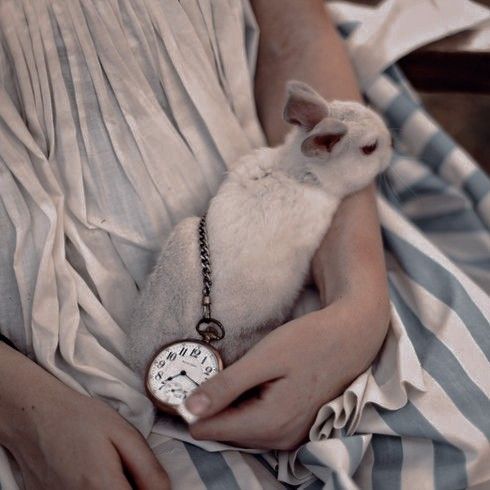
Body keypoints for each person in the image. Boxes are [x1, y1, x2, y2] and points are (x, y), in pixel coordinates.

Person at [1, 0, 488, 489]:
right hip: (39, 352)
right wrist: (27, 415)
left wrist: (356, 308)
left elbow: (295, 34)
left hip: (321, 248)